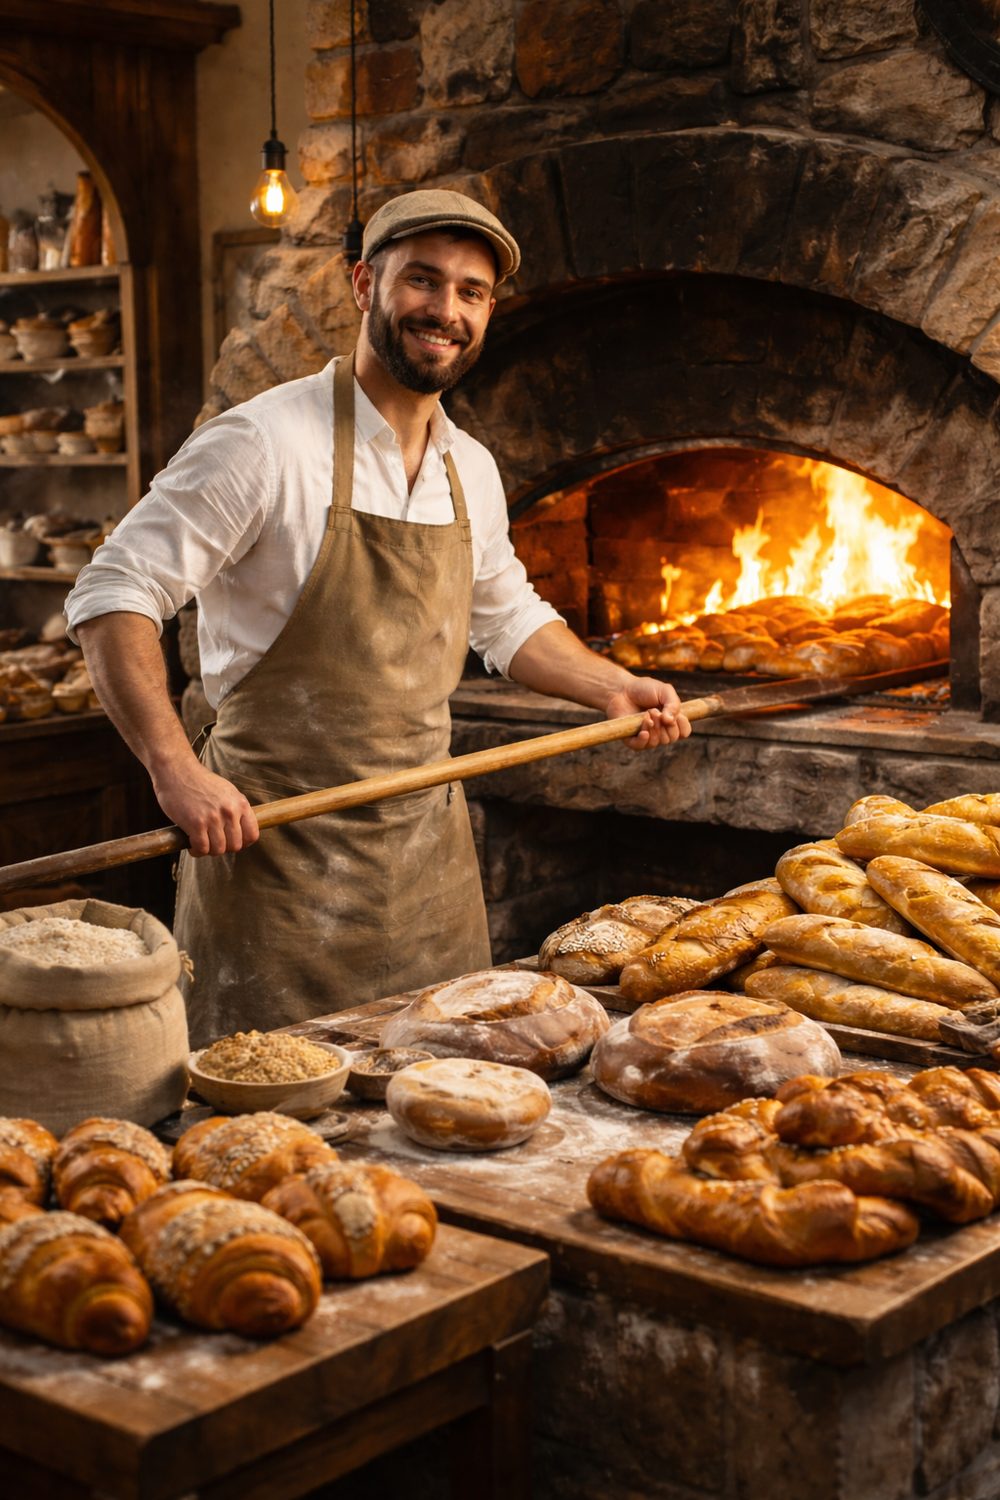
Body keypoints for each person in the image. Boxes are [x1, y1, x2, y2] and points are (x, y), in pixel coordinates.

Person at [66, 189, 691, 1045]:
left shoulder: (468, 466)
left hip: (426, 867)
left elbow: (506, 616)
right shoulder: (262, 443)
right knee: (278, 1135)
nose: (446, 310)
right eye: (423, 282)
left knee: (436, 1111)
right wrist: (175, 771)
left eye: (471, 292)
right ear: (364, 284)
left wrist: (612, 687)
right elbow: (113, 596)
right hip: (275, 864)